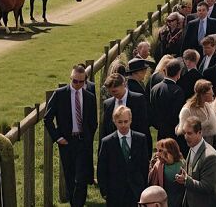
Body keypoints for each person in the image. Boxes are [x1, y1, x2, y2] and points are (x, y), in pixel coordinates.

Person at [43, 64, 97, 207]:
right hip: (66, 142)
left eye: (81, 81)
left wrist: (88, 138)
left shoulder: (89, 97)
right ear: (70, 78)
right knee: (70, 178)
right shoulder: (60, 94)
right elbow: (47, 118)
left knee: (81, 179)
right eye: (75, 81)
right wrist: (58, 138)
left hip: (83, 142)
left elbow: (93, 121)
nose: (78, 84)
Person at [97, 106, 149, 207]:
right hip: (115, 192)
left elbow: (144, 166)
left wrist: (143, 187)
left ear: (131, 120)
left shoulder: (140, 139)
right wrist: (104, 191)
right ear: (114, 122)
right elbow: (102, 168)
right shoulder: (107, 142)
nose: (123, 125)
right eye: (120, 122)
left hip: (136, 190)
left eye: (126, 121)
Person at [176, 116, 216, 207]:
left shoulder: (210, 157)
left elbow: (206, 186)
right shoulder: (192, 148)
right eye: (184, 133)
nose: (186, 137)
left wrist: (186, 180)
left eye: (189, 133)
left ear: (200, 133)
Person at [100, 73, 150, 153]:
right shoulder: (108, 104)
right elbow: (105, 129)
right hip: (114, 149)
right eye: (111, 92)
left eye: (115, 91)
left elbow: (143, 126)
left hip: (134, 147)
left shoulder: (138, 100)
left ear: (124, 85)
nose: (114, 94)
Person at [176, 79, 216, 145]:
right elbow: (182, 132)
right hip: (195, 147)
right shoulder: (188, 110)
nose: (213, 93)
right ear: (203, 94)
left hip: (211, 145)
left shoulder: (208, 106)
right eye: (211, 91)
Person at [151, 58, 186, 141]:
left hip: (160, 131)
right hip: (173, 133)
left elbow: (152, 110)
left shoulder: (155, 88)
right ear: (178, 73)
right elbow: (176, 114)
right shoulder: (178, 91)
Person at [148, 138, 185, 207]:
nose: (157, 153)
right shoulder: (158, 165)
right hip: (163, 201)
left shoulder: (183, 164)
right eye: (157, 150)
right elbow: (151, 182)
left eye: (160, 151)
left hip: (180, 200)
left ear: (170, 151)